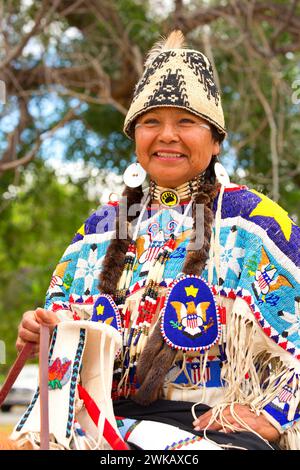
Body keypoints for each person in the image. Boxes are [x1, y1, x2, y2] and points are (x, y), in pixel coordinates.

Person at [14, 30, 300, 450]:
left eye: (186, 122)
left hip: (209, 426)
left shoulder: (257, 224)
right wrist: (41, 335)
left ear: (216, 139)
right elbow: (63, 331)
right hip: (101, 421)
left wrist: (272, 415)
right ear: (135, 137)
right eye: (151, 122)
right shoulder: (97, 230)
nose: (167, 135)